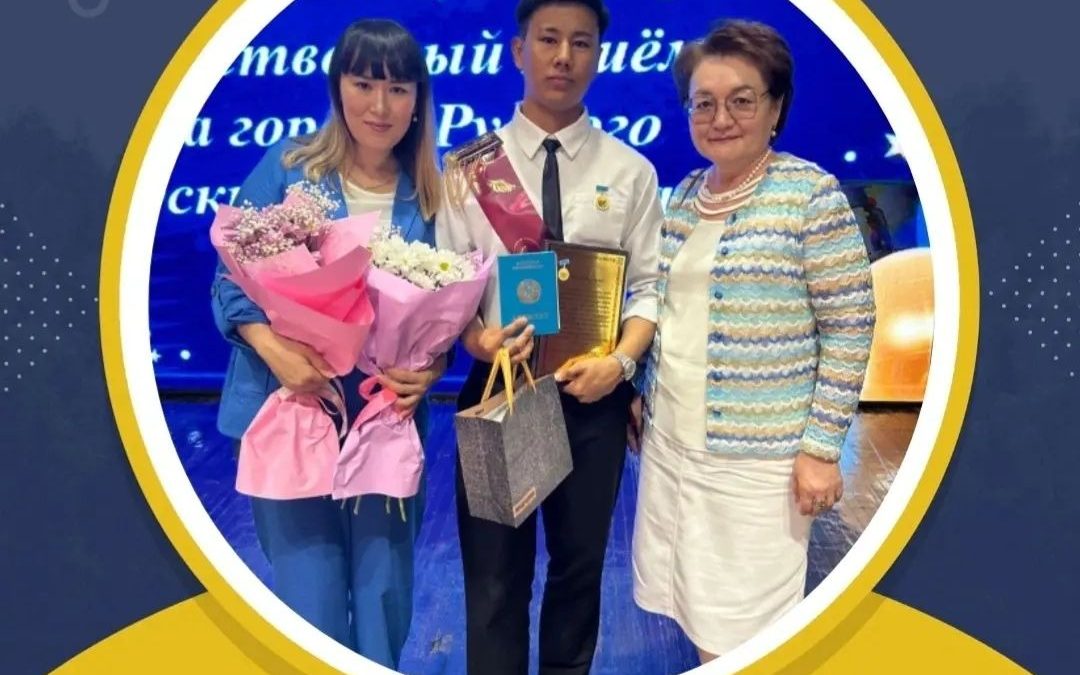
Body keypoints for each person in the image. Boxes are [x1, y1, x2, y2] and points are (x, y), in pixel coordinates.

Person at [630, 19, 876, 663]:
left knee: (747, 627)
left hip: (758, 465)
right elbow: (670, 309)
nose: (720, 118)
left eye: (741, 100)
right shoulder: (687, 194)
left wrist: (821, 448)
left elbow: (850, 325)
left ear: (776, 107)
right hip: (672, 447)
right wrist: (639, 388)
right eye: (703, 103)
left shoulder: (810, 196)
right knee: (689, 604)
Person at [436, 1, 663, 673]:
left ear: (598, 55)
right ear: (519, 50)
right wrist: (479, 342)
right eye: (549, 39)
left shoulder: (632, 171)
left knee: (579, 572)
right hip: (500, 389)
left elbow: (649, 288)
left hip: (593, 396)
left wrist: (621, 365)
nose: (564, 56)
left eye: (581, 42)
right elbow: (449, 288)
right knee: (493, 579)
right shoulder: (467, 169)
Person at [210, 18, 443, 669]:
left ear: (418, 100)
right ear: (338, 86)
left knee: (383, 595)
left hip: (384, 423)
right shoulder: (290, 170)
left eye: (397, 89)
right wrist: (275, 349)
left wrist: (431, 371)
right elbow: (230, 279)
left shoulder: (432, 195)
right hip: (289, 411)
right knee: (307, 600)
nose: (380, 105)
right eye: (364, 83)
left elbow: (451, 309)